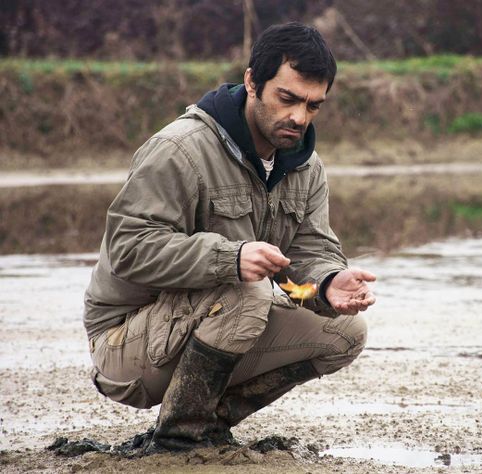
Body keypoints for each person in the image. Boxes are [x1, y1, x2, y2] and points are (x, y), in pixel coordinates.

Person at [83, 22, 376, 451]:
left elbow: (309, 250)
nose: (299, 117)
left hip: (214, 323)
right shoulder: (179, 149)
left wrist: (328, 283)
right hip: (124, 342)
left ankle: (209, 422)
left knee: (347, 331)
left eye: (314, 106)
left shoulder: (306, 167)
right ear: (252, 82)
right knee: (250, 292)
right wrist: (230, 259)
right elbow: (128, 249)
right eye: (288, 98)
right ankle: (179, 440)